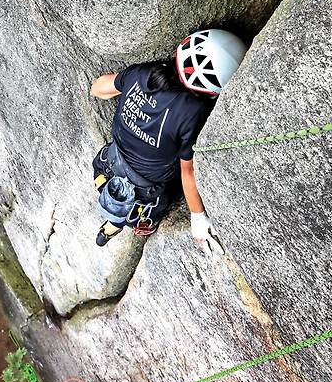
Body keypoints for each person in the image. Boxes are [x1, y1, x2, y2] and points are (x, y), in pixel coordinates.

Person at [90, 28, 246, 252]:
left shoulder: (143, 74)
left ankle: (113, 223)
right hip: (145, 195)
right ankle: (115, 224)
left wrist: (132, 96)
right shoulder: (193, 112)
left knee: (117, 194)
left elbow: (99, 88)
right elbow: (188, 171)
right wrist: (197, 217)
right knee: (144, 210)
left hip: (107, 163)